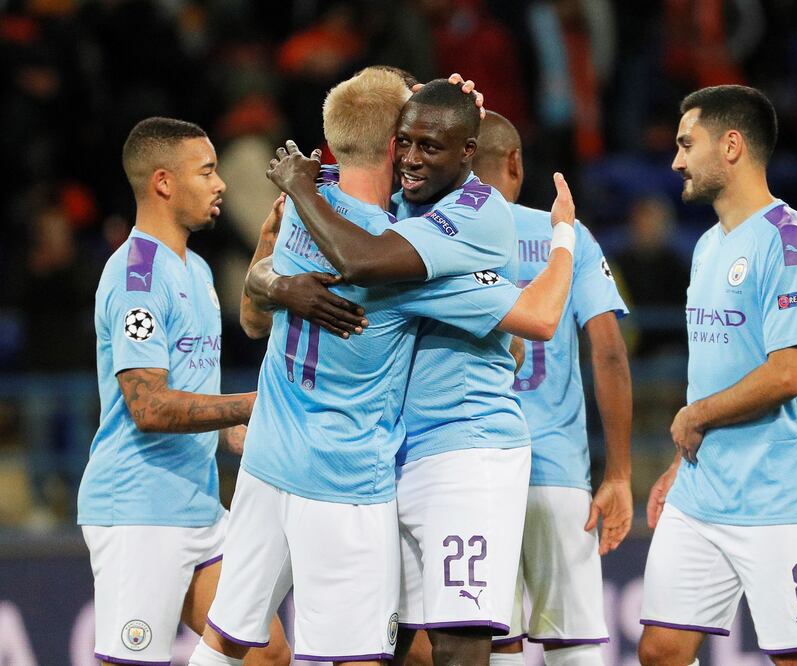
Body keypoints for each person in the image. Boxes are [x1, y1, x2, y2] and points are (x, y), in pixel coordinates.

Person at [190, 70, 579, 666]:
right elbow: (537, 317)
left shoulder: (303, 204)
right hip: (345, 478)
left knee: (225, 641)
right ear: (397, 144)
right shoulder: (399, 254)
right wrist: (562, 239)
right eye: (411, 140)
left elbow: (250, 313)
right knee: (352, 657)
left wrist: (277, 280)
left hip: (268, 462)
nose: (418, 155)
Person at [76, 117, 290, 666]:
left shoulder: (193, 267)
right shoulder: (136, 278)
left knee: (266, 655)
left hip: (197, 505)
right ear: (164, 183)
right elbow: (147, 406)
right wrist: (252, 406)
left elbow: (247, 325)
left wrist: (264, 254)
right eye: (208, 171)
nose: (221, 184)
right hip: (139, 509)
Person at [638, 85, 797, 666]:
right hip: (702, 491)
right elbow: (715, 370)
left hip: (776, 495)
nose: (675, 160)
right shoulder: (704, 247)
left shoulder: (790, 241)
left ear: (731, 146)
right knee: (661, 650)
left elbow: (788, 375)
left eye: (686, 143)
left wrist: (694, 416)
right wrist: (681, 461)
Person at [465, 111, 633, 666]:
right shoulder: (566, 235)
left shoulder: (445, 234)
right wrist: (619, 474)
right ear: (515, 162)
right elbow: (607, 350)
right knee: (575, 645)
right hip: (558, 470)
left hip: (475, 470)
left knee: (499, 644)